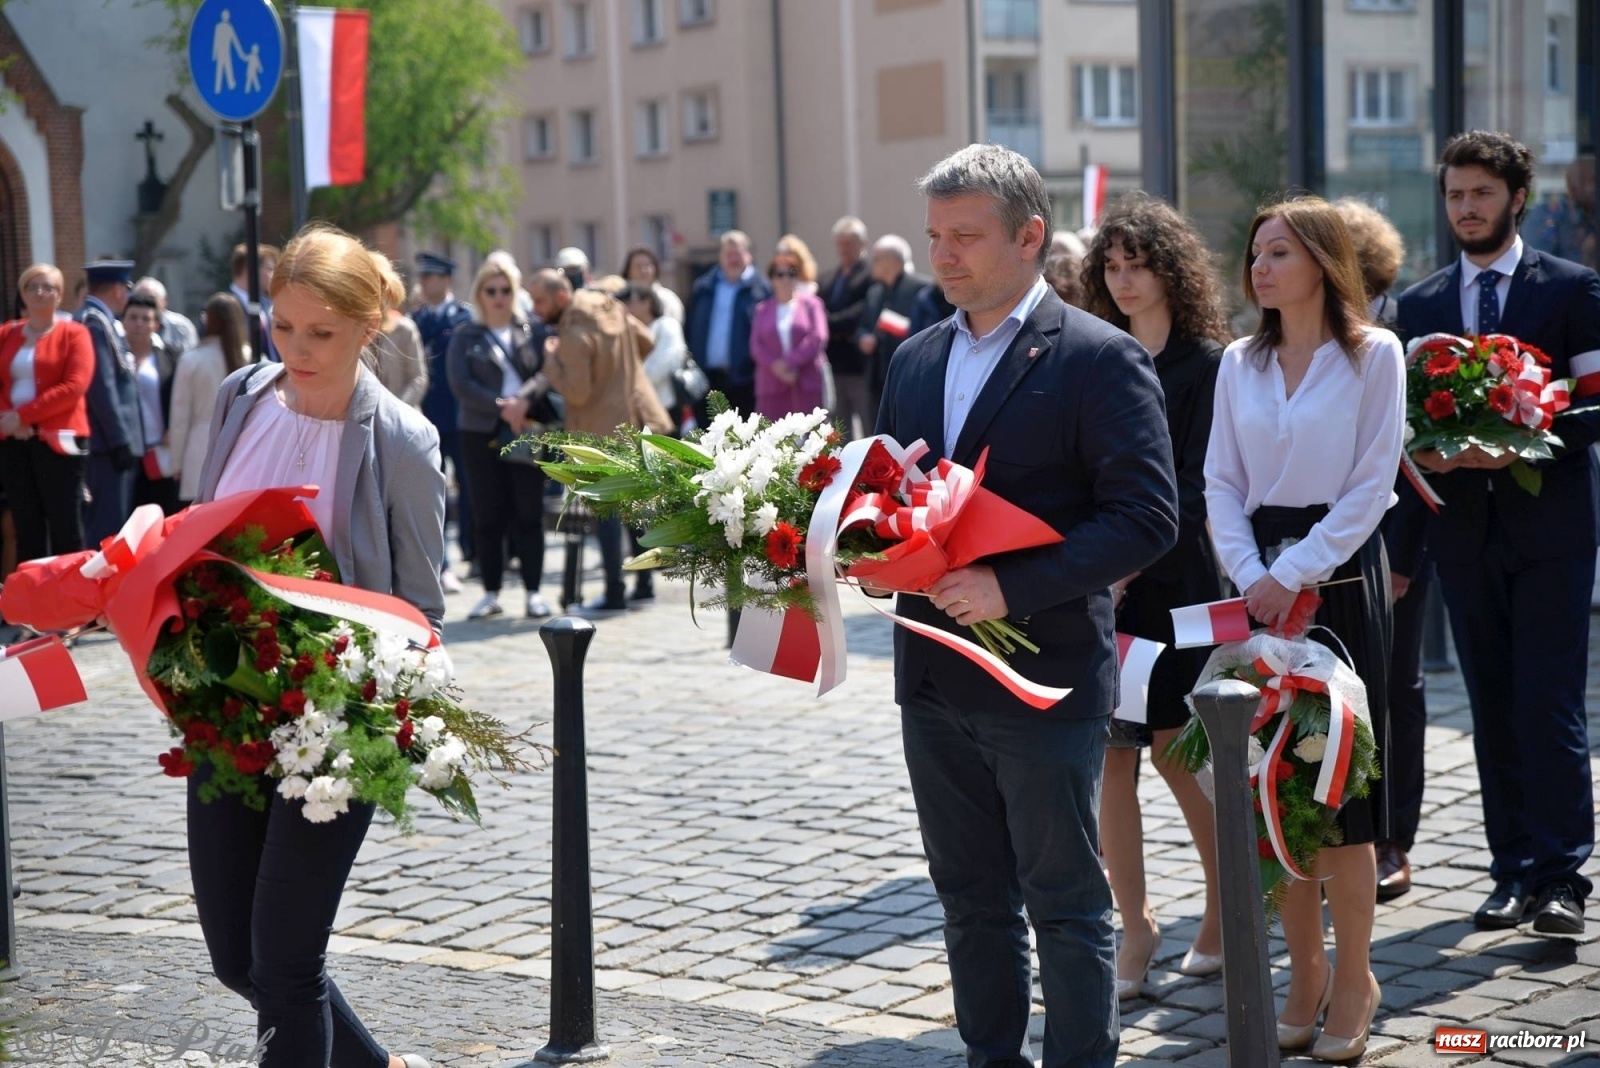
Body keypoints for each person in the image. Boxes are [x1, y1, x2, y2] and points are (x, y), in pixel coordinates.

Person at [876, 144, 1178, 1068]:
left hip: (1042, 673)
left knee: (1065, 902)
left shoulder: (1099, 357)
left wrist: (1010, 585)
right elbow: (893, 493)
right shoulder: (915, 356)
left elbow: (1147, 517)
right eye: (935, 236)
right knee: (968, 897)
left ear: (1030, 236)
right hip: (930, 672)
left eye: (966, 236)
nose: (944, 255)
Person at [191, 224, 443, 1068]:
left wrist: (345, 670)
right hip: (228, 708)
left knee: (287, 965)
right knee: (239, 960)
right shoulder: (239, 397)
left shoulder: (402, 442)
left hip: (340, 725)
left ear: (369, 326)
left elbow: (421, 610)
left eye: (321, 333)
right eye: (282, 325)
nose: (296, 349)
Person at [1206, 197, 1404, 1062]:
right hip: (1257, 587)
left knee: (1344, 801)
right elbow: (1219, 480)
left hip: (1343, 581)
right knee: (1273, 793)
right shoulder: (1237, 364)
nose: (1259, 267)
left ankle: (1355, 975)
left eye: (1278, 251)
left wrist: (1292, 573)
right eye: (1255, 252)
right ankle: (1306, 972)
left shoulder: (1375, 357)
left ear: (1322, 263)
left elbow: (1371, 486)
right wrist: (1253, 577)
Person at [1399, 131, 1600, 937]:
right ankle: (1511, 870)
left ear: (1517, 198)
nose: (1467, 209)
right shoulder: (1418, 306)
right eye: (1456, 195)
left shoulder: (1574, 289)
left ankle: (1562, 879)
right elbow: (1403, 431)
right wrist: (1405, 553)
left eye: (1482, 194)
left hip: (1551, 529)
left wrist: (1524, 436)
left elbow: (1594, 404)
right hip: (1463, 536)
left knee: (1547, 702)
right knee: (1490, 704)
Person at [1080, 193, 1232, 999]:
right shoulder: (1096, 354)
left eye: (1138, 264)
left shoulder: (1209, 364)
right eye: (1112, 265)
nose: (1125, 279)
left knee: (1179, 754)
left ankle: (1226, 905)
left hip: (1173, 584)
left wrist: (1125, 559)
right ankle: (1132, 926)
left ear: (1170, 269)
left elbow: (1202, 484)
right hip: (1101, 590)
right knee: (1109, 759)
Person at [1334, 196, 1420, 901]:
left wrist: (1405, 557)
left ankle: (1391, 836)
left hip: (1396, 544)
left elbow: (1404, 465)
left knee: (1398, 692)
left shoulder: (1402, 329)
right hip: (1327, 544)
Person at [529, 269, 670, 617]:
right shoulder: (610, 306)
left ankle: (614, 591)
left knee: (605, 513)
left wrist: (552, 361)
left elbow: (577, 392)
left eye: (540, 301)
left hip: (596, 429)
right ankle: (644, 586)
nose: (535, 310)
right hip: (630, 420)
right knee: (634, 507)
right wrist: (620, 372)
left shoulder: (573, 331)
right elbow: (646, 341)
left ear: (561, 298)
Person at [446, 258, 552, 622]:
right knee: (487, 512)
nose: (498, 297)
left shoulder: (530, 329)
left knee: (528, 511)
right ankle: (490, 591)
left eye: (505, 290)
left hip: (525, 428)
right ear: (479, 294)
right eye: (491, 291)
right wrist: (500, 406)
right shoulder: (466, 334)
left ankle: (534, 592)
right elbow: (461, 383)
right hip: (480, 430)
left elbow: (545, 373)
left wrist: (522, 401)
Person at [0, 264, 92, 561]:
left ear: (60, 295)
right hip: (13, 441)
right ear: (22, 294)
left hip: (59, 442)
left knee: (66, 526)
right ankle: (33, 604)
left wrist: (24, 416)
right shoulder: (6, 333)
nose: (40, 292)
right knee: (27, 528)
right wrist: (9, 419)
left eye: (47, 287)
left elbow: (74, 386)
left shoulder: (74, 334)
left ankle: (72, 604)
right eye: (32, 287)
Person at [413, 251, 475, 593]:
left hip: (459, 415)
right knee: (434, 492)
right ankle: (441, 559)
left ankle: (471, 550)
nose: (425, 283)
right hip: (429, 418)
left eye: (431, 277)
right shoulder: (417, 319)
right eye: (422, 277)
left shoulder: (463, 317)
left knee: (467, 489)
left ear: (446, 280)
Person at [77, 260, 143, 544]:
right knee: (107, 530)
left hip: (109, 442)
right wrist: (119, 440)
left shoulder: (98, 319)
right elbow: (101, 386)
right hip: (107, 445)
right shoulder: (94, 323)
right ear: (118, 289)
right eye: (126, 288)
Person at [168, 293, 248, 506]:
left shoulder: (191, 359)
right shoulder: (249, 357)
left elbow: (179, 417)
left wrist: (175, 463)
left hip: (198, 450)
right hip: (240, 448)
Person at [686, 230, 771, 417]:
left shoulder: (762, 289)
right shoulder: (703, 287)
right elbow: (690, 327)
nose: (733, 260)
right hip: (707, 380)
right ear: (720, 257)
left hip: (745, 381)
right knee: (707, 441)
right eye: (728, 254)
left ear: (749, 255)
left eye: (738, 254)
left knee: (743, 441)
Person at [750, 239, 829, 420]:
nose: (786, 278)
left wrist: (790, 362)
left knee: (810, 439)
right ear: (771, 278)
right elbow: (756, 345)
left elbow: (818, 337)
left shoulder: (812, 304)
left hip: (805, 383)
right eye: (780, 274)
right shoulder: (762, 309)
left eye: (791, 273)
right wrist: (776, 366)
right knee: (775, 440)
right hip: (772, 386)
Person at [817, 217, 875, 438]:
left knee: (868, 427)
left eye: (849, 243)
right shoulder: (827, 278)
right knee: (840, 432)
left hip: (859, 366)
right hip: (834, 365)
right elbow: (817, 308)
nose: (844, 249)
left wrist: (827, 322)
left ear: (862, 244)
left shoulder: (870, 275)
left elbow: (861, 311)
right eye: (840, 244)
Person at [858, 235, 929, 412]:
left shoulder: (921, 288)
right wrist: (863, 338)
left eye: (876, 259)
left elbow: (930, 329)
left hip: (909, 378)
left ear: (891, 261)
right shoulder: (874, 292)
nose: (871, 264)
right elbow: (863, 325)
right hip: (877, 379)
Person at [124, 292, 181, 514]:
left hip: (160, 451)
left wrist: (173, 429)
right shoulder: (114, 355)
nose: (139, 324)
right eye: (133, 317)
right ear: (123, 321)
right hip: (126, 453)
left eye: (145, 319)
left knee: (163, 513)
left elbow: (180, 398)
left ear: (155, 325)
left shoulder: (170, 357)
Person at [230, 242, 280, 362]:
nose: (273, 276)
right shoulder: (225, 306)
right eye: (270, 269)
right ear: (250, 270)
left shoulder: (267, 304)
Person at [374, 308, 429, 408]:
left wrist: (396, 409)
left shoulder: (404, 329)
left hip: (402, 414)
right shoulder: (353, 330)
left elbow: (418, 379)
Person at [134, 276, 200, 355]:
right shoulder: (127, 326)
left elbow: (191, 359)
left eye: (151, 299)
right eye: (140, 299)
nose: (146, 304)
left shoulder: (181, 327)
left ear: (164, 301)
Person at [621, 245, 685, 324]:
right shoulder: (622, 301)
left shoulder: (668, 299)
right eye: (638, 266)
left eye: (647, 265)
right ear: (628, 271)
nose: (643, 270)